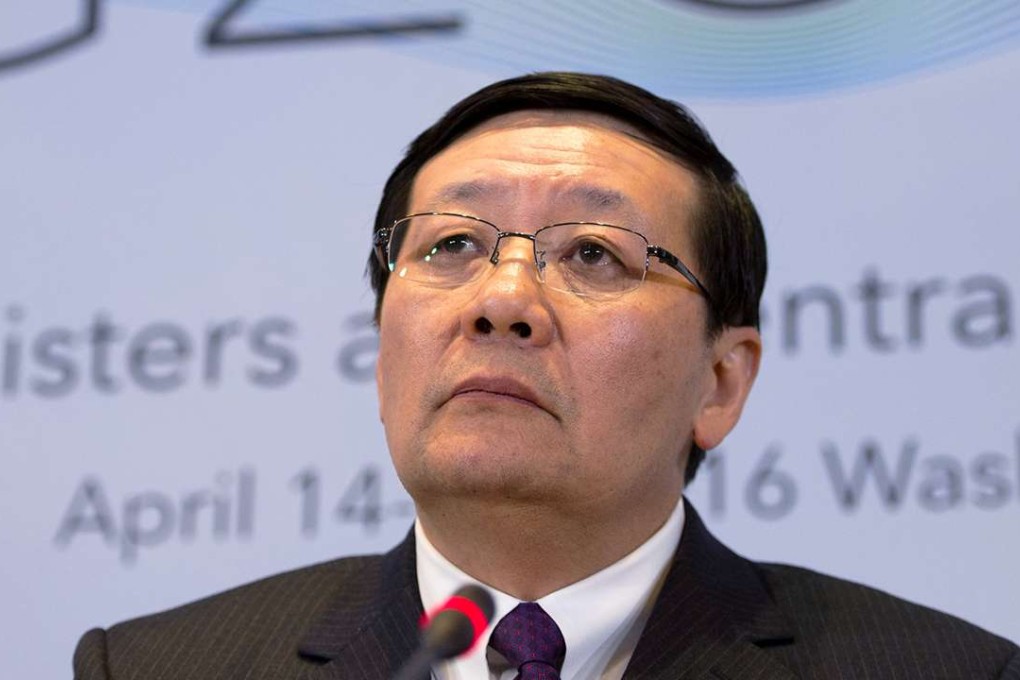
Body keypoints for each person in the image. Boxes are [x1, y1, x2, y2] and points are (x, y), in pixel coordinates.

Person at [74, 72, 1019, 679]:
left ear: (721, 383)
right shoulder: (154, 667)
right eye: (450, 245)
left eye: (596, 255)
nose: (502, 299)